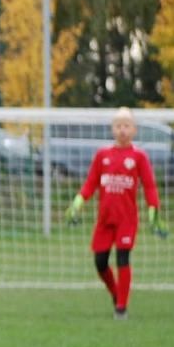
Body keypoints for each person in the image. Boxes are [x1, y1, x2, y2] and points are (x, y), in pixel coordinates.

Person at [66, 107, 167, 319]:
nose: (123, 130)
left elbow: (149, 186)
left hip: (126, 220)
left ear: (134, 130)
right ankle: (115, 293)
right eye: (119, 126)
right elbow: (91, 182)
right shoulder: (103, 155)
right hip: (105, 219)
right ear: (112, 129)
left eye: (127, 126)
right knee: (100, 262)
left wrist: (153, 209)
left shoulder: (139, 157)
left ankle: (121, 307)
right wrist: (78, 201)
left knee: (123, 258)